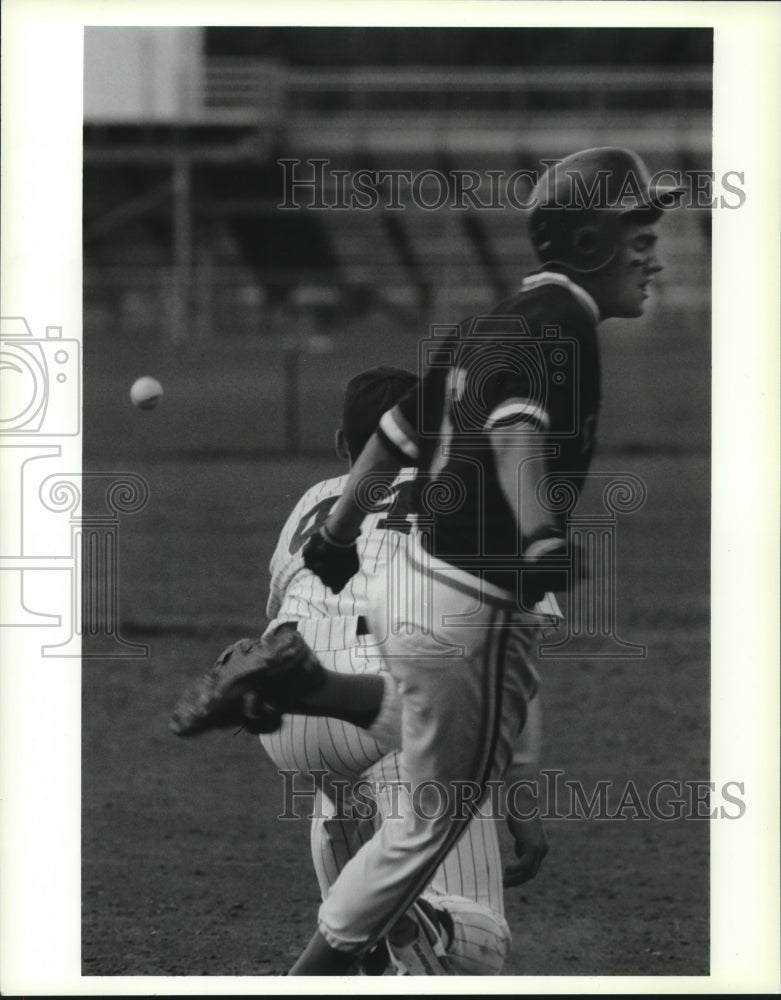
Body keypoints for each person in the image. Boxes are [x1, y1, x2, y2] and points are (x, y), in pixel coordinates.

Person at [291, 146, 679, 975]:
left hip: (412, 589)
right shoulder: (562, 322)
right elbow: (515, 427)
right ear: (583, 242)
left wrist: (334, 534)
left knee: (433, 783)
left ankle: (320, 701)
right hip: (471, 594)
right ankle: (330, 963)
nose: (651, 251)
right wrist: (540, 533)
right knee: (442, 815)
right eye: (634, 231)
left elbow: (393, 435)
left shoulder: (487, 321)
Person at [257, 366, 549, 975]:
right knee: (476, 945)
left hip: (290, 714)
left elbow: (291, 607)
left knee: (358, 947)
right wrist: (519, 803)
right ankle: (417, 916)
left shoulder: (315, 499)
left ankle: (374, 919)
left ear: (345, 447)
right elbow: (507, 663)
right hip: (393, 703)